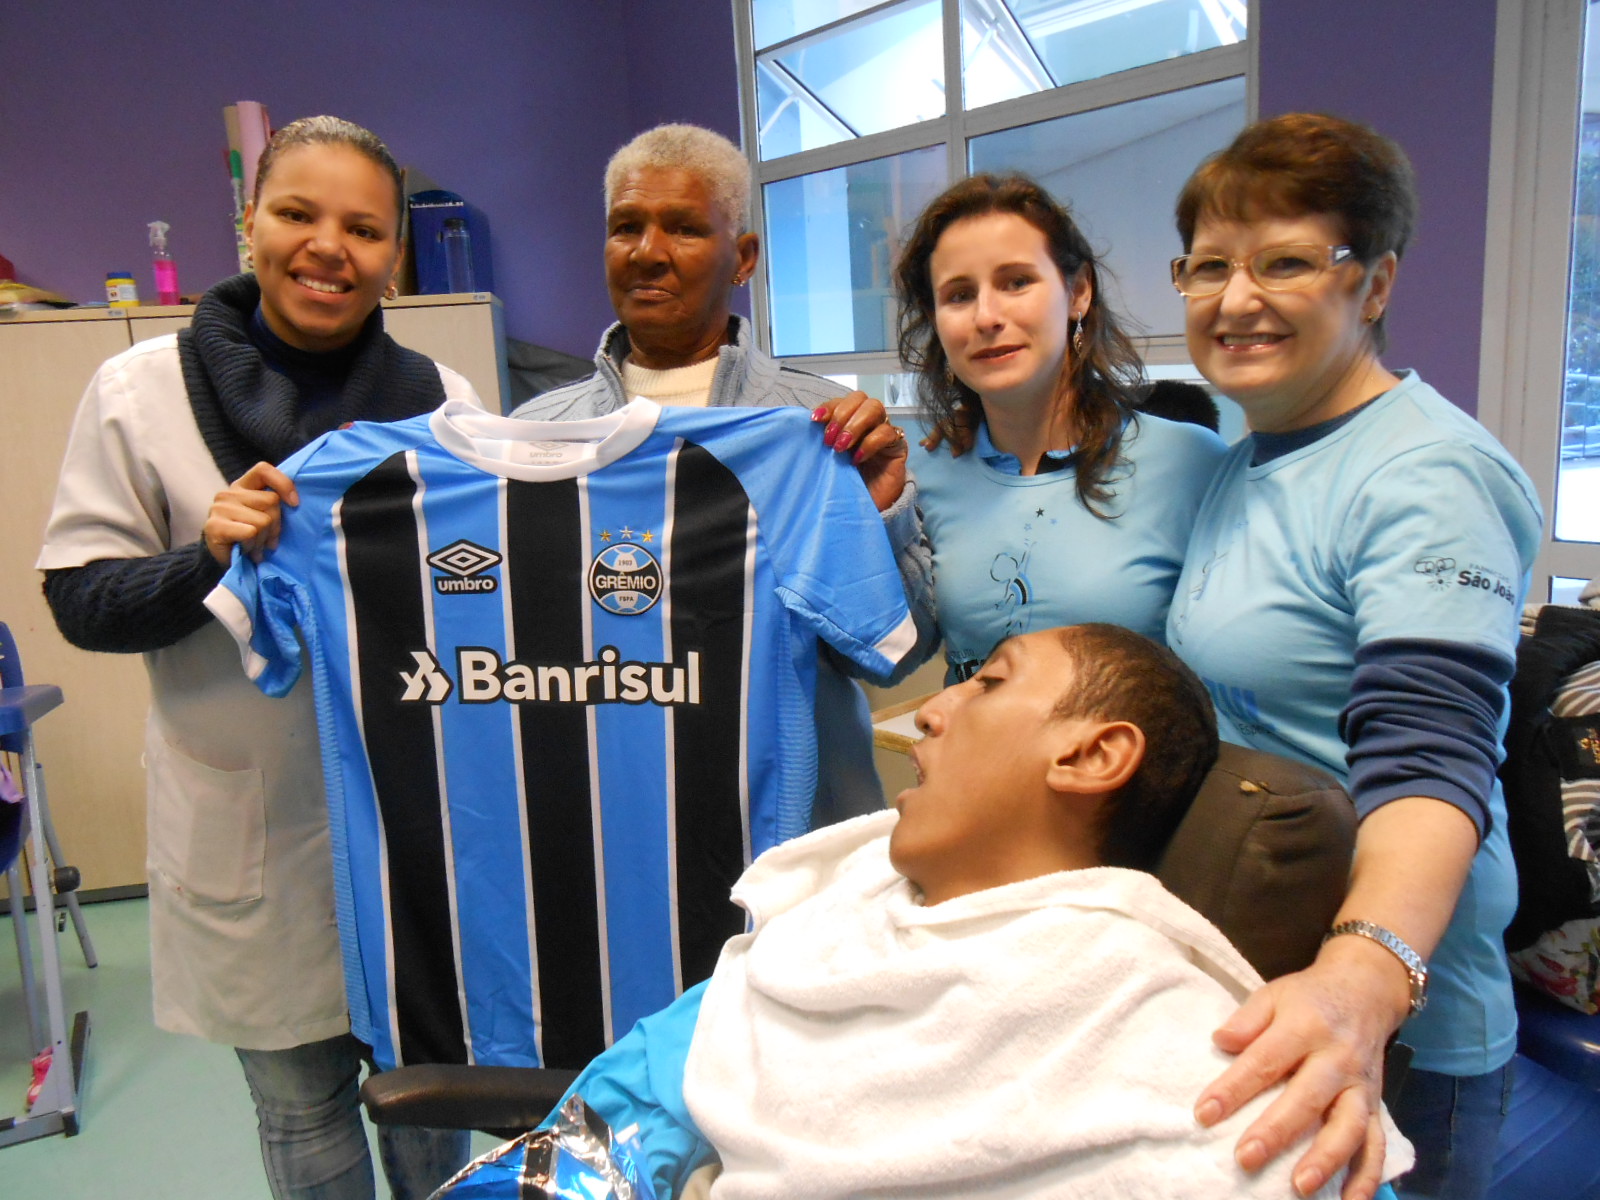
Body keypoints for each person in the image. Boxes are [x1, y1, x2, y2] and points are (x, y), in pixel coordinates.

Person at [512, 625, 1413, 1200]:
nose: (929, 714)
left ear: (1093, 754)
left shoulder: (1177, 1031)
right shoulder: (843, 913)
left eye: (987, 683)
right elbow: (616, 1116)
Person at [37, 116, 475, 1199]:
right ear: (250, 223)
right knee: (301, 1109)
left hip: (422, 826)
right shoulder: (141, 391)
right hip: (252, 822)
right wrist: (207, 560)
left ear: (393, 252)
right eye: (298, 213)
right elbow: (82, 602)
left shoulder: (447, 405)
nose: (330, 246)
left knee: (434, 1094)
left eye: (364, 228)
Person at [1164, 113, 1542, 1200]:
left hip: (1393, 1028)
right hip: (1261, 973)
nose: (1235, 299)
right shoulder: (1251, 457)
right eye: (1208, 267)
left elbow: (1431, 748)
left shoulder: (1427, 476)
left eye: (1285, 262)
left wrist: (1364, 976)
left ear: (1373, 286)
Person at [512, 122, 927, 824]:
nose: (648, 253)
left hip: (798, 823)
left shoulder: (825, 426)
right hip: (618, 816)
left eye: (683, 229)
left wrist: (875, 521)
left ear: (743, 258)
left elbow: (895, 653)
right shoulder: (535, 437)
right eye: (626, 228)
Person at [892, 174, 1227, 682]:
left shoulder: (1191, 463)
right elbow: (891, 655)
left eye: (1016, 282)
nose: (987, 316)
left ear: (1079, 292)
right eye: (959, 295)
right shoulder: (925, 475)